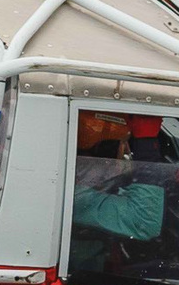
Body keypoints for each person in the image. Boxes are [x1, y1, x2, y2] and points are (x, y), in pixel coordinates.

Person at [70, 111, 167, 273]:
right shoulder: (75, 196)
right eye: (125, 143)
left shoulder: (79, 176)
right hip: (84, 278)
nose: (128, 150)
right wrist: (146, 145)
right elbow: (143, 223)